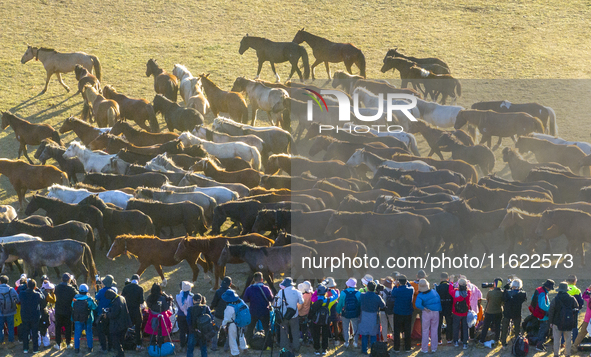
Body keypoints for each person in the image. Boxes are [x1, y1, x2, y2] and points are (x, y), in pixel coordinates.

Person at [242, 272, 273, 346]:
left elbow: (245, 299)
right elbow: (271, 298)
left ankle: (248, 343)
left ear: (254, 279)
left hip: (253, 311)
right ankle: (269, 345)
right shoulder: (266, 288)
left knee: (250, 328)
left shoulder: (249, 289)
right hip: (264, 311)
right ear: (262, 279)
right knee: (266, 328)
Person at [548, 282, 578, 357]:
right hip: (568, 322)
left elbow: (551, 310)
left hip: (556, 322)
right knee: (568, 339)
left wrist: (550, 322)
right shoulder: (572, 298)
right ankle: (567, 354)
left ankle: (556, 354)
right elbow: (576, 308)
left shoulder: (555, 299)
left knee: (557, 339)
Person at [274, 277, 303, 353]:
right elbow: (301, 302)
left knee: (283, 332)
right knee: (295, 332)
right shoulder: (298, 292)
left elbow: (278, 304)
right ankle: (296, 347)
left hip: (283, 315)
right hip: (294, 315)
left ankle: (284, 348)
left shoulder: (281, 292)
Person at [358, 281, 385, 355]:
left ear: (367, 288)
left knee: (364, 334)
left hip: (364, 316)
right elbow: (383, 305)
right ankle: (373, 350)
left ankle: (364, 350)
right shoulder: (377, 297)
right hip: (373, 317)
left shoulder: (362, 295)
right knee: (373, 334)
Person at [390, 274, 415, 352]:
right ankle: (407, 347)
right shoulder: (410, 289)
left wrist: (395, 285)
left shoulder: (396, 290)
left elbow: (392, 293)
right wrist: (406, 282)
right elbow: (410, 286)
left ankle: (396, 348)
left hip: (398, 313)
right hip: (408, 313)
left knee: (397, 331)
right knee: (407, 330)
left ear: (399, 282)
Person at [415, 279, 441, 353]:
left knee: (425, 330)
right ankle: (434, 347)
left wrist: (424, 308)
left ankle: (424, 348)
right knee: (434, 329)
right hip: (436, 312)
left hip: (426, 312)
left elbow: (417, 305)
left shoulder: (420, 295)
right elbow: (438, 299)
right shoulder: (434, 291)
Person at [477, 278, 504, 348]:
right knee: (498, 326)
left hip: (489, 312)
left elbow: (488, 300)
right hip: (498, 312)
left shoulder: (490, 293)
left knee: (485, 327)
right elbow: (502, 302)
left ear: (494, 284)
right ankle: (497, 340)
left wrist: (492, 290)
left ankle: (481, 341)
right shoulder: (502, 293)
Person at [500, 278, 527, 349]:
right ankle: (517, 342)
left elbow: (504, 297)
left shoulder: (507, 293)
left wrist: (508, 284)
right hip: (517, 313)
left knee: (505, 328)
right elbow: (524, 296)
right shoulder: (522, 294)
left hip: (507, 313)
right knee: (517, 328)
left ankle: (503, 343)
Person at [18, 279, 44, 354]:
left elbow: (20, 290)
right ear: (35, 286)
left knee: (25, 332)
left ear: (27, 286)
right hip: (34, 316)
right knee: (35, 333)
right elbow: (43, 299)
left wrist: (24, 286)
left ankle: (25, 348)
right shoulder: (37, 294)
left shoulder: (22, 294)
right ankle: (35, 349)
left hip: (25, 315)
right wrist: (38, 290)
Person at [54, 273, 78, 350]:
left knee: (58, 327)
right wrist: (75, 285)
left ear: (62, 279)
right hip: (67, 310)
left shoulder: (57, 287)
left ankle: (58, 344)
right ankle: (68, 343)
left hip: (58, 310)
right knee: (68, 327)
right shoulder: (71, 289)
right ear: (69, 280)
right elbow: (77, 295)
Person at [71, 283, 97, 353]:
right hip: (87, 319)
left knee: (77, 333)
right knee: (89, 333)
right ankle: (90, 347)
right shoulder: (89, 298)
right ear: (86, 291)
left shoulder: (75, 298)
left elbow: (72, 305)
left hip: (77, 318)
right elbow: (94, 307)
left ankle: (76, 348)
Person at [145, 283, 174, 348]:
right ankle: (160, 345)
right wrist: (169, 302)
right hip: (161, 317)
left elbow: (148, 305)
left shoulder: (149, 297)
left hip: (152, 316)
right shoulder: (162, 298)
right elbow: (166, 308)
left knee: (152, 330)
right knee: (161, 331)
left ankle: (152, 345)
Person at [121, 274, 144, 351]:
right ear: (138, 280)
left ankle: (122, 344)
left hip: (127, 311)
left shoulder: (126, 288)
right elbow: (141, 302)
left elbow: (122, 299)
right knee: (138, 329)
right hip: (136, 311)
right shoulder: (140, 289)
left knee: (124, 328)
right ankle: (138, 345)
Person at [105, 289, 131, 357]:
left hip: (118, 325)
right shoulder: (121, 298)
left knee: (115, 340)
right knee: (121, 340)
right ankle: (120, 354)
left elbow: (113, 315)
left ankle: (121, 353)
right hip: (125, 323)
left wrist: (107, 314)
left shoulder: (116, 302)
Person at [221, 290, 248, 357]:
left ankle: (235, 353)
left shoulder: (229, 307)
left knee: (232, 338)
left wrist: (223, 325)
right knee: (241, 335)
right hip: (241, 321)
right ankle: (244, 348)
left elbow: (227, 318)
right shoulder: (241, 301)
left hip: (232, 324)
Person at [336, 278, 361, 348]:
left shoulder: (343, 292)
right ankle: (355, 342)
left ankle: (346, 342)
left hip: (345, 313)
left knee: (345, 328)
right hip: (355, 313)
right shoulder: (358, 293)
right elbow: (359, 304)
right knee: (355, 327)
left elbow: (340, 303)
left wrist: (338, 311)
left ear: (347, 285)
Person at [95, 274, 117, 353]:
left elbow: (96, 298)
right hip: (111, 314)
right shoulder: (114, 290)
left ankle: (104, 348)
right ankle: (110, 347)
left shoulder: (101, 291)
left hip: (101, 314)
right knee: (110, 332)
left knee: (101, 332)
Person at [210, 276, 232, 351]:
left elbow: (214, 303)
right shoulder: (232, 293)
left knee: (216, 331)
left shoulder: (218, 291)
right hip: (229, 315)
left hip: (218, 314)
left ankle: (214, 346)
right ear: (230, 284)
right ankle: (227, 347)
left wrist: (211, 309)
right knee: (230, 332)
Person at [532, 279, 554, 352]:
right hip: (543, 315)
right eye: (550, 288)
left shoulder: (539, 290)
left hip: (538, 313)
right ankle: (539, 346)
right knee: (543, 330)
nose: (550, 290)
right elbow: (542, 305)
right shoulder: (542, 293)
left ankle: (541, 344)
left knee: (542, 329)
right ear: (548, 287)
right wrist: (549, 309)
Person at [450, 278, 471, 349]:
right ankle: (465, 342)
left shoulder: (455, 292)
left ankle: (455, 341)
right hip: (465, 313)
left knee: (455, 327)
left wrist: (451, 282)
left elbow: (450, 291)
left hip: (456, 312)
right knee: (465, 328)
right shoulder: (468, 292)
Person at [309, 285, 331, 355]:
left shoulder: (314, 300)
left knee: (316, 334)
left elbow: (312, 299)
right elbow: (336, 296)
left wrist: (316, 291)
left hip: (316, 320)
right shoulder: (329, 300)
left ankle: (317, 349)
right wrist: (330, 290)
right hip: (326, 319)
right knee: (325, 334)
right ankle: (324, 349)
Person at [0, 275, 19, 345]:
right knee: (11, 327)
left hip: (0, 313)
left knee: (0, 328)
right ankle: (11, 342)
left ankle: (0, 342)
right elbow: (18, 300)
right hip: (11, 312)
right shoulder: (11, 289)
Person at [176, 281, 195, 351]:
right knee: (189, 331)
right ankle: (189, 344)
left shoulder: (177, 296)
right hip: (189, 316)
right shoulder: (192, 296)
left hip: (181, 316)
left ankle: (182, 345)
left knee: (182, 332)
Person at [573, 283, 591, 352]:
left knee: (582, 333)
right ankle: (574, 346)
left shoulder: (589, 299)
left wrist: (588, 288)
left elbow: (584, 295)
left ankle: (574, 346)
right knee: (582, 332)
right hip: (588, 319)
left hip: (588, 319)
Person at [436, 272, 454, 345]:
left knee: (439, 323)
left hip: (440, 307)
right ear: (448, 279)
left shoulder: (437, 287)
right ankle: (449, 338)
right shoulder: (451, 286)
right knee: (449, 323)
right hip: (449, 306)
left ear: (441, 279)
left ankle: (439, 339)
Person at [566, 275, 584, 343]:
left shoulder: (564, 289)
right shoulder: (577, 290)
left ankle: (562, 342)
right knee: (574, 326)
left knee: (564, 326)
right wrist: (578, 308)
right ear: (575, 281)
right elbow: (581, 302)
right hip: (574, 311)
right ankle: (575, 341)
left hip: (564, 311)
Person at [378, 277, 394, 343]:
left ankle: (385, 340)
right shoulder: (394, 291)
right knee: (393, 325)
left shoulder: (382, 291)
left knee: (384, 326)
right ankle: (394, 338)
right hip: (391, 311)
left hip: (382, 311)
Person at [297, 281, 313, 345]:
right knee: (309, 326)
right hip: (309, 312)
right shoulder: (311, 294)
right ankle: (310, 338)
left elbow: (299, 307)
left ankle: (305, 340)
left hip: (302, 313)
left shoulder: (303, 296)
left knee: (303, 328)